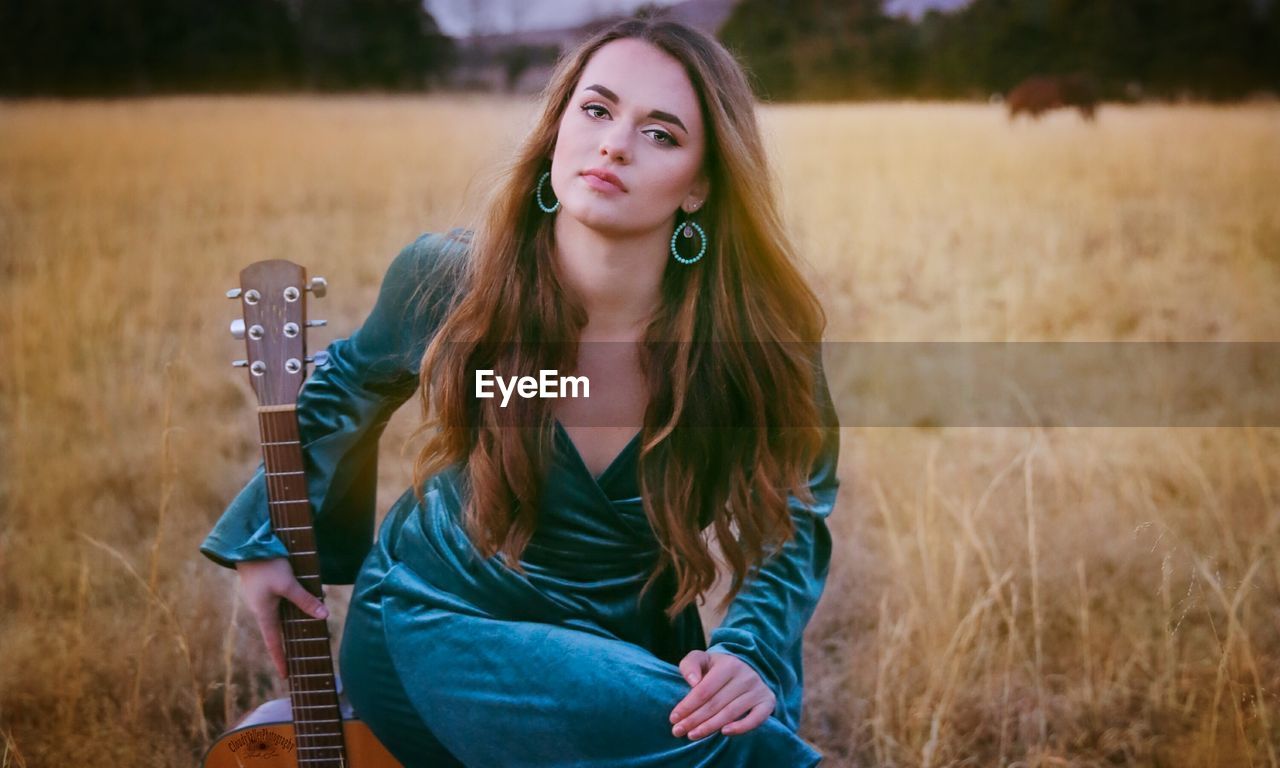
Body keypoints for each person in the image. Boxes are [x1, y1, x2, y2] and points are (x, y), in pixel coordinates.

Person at [201, 17, 841, 768]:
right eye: (596, 110)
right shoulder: (449, 282)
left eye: (661, 133)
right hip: (438, 620)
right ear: (558, 127)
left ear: (701, 184)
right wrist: (266, 536)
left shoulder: (759, 338)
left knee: (723, 722)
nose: (613, 144)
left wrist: (749, 646)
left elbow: (798, 501)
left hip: (624, 646)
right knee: (741, 758)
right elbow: (350, 377)